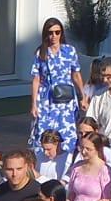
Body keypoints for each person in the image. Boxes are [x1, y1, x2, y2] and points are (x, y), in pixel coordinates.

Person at [29, 17, 85, 167]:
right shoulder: (41, 53)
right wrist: (33, 104)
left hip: (66, 99)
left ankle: (66, 166)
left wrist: (83, 96)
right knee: (44, 130)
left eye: (57, 32)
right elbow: (36, 79)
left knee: (67, 132)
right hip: (47, 99)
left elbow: (76, 74)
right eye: (50, 33)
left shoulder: (69, 51)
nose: (53, 36)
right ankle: (44, 165)